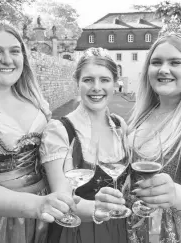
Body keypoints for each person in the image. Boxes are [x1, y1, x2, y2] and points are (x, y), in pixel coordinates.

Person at [0, 20, 78, 243]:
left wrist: (60, 197)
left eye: (14, 51)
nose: (7, 60)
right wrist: (37, 205)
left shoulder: (37, 103)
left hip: (42, 216)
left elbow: (54, 159)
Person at [99, 27, 181, 242]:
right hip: (130, 224)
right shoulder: (145, 114)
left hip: (170, 232)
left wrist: (175, 193)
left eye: (175, 62)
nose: (163, 69)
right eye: (156, 62)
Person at [41, 47, 129, 243]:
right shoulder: (59, 130)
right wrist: (100, 210)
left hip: (118, 228)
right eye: (88, 80)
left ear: (115, 84)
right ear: (77, 83)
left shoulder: (119, 125)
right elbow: (62, 198)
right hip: (78, 233)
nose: (96, 87)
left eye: (105, 80)